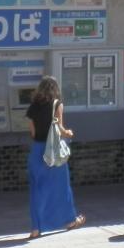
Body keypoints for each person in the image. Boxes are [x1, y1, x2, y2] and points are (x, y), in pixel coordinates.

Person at [25, 76, 86, 238]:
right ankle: (70, 221)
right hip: (53, 153)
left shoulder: (33, 106)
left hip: (37, 151)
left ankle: (36, 228)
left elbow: (33, 133)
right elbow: (60, 129)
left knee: (37, 190)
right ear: (55, 89)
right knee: (61, 188)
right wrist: (69, 133)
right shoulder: (57, 105)